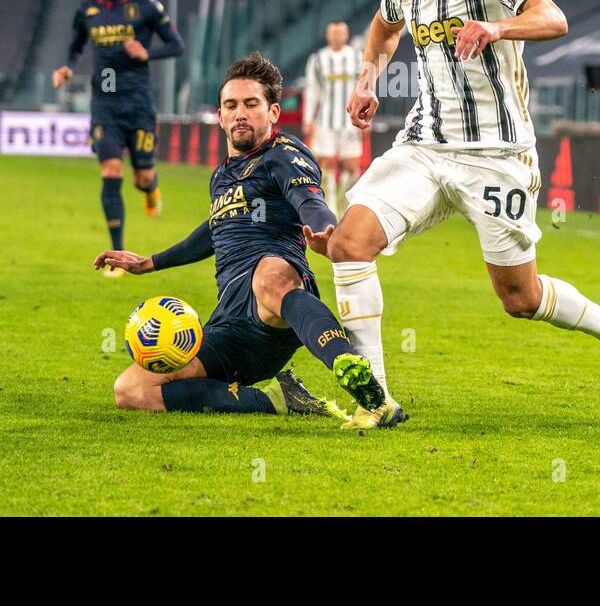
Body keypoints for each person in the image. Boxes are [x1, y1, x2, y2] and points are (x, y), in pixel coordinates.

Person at [309, 0, 600, 429]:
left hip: (498, 154)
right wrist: (367, 79)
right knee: (349, 244)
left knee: (518, 296)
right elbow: (383, 28)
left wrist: (496, 26)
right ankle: (376, 401)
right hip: (423, 146)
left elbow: (554, 19)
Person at [97, 53, 393, 429]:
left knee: (269, 277)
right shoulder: (222, 176)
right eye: (231, 105)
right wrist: (150, 262)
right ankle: (278, 399)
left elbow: (308, 199)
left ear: (272, 112)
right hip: (229, 323)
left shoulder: (283, 154)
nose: (240, 113)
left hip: (274, 305)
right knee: (131, 390)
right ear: (219, 116)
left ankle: (350, 368)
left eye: (251, 104)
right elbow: (214, 230)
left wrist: (325, 228)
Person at [53, 0, 184, 276]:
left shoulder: (146, 6)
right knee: (111, 171)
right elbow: (76, 45)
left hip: (138, 105)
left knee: (141, 177)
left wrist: (146, 53)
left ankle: (151, 187)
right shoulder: (88, 11)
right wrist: (68, 67)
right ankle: (117, 256)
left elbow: (176, 44)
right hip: (105, 105)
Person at [304, 20, 364, 210]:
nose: (337, 36)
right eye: (333, 33)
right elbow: (312, 90)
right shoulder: (318, 59)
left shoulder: (357, 57)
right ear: (328, 35)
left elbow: (364, 88)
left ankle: (344, 202)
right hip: (325, 121)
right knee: (326, 164)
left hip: (350, 121)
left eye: (340, 33)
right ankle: (329, 207)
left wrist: (365, 116)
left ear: (346, 35)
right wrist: (308, 119)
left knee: (352, 166)